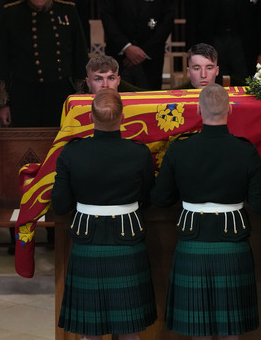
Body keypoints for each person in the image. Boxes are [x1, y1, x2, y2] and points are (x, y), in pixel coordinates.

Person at [152, 83, 261, 339]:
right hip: (233, 239)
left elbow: (160, 199)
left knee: (199, 328)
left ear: (198, 109)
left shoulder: (180, 148)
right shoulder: (245, 149)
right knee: (231, 328)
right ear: (229, 109)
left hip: (192, 237)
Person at [52, 88, 157, 339]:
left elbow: (60, 203)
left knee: (91, 331)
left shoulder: (72, 152)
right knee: (130, 329)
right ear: (123, 118)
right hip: (128, 236)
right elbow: (146, 197)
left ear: (90, 117)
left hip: (88, 236)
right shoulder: (139, 153)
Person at [0, 0, 89, 128]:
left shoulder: (68, 11)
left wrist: (82, 99)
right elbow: (3, 62)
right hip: (24, 97)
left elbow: (80, 57)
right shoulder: (11, 13)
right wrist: (3, 104)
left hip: (61, 96)